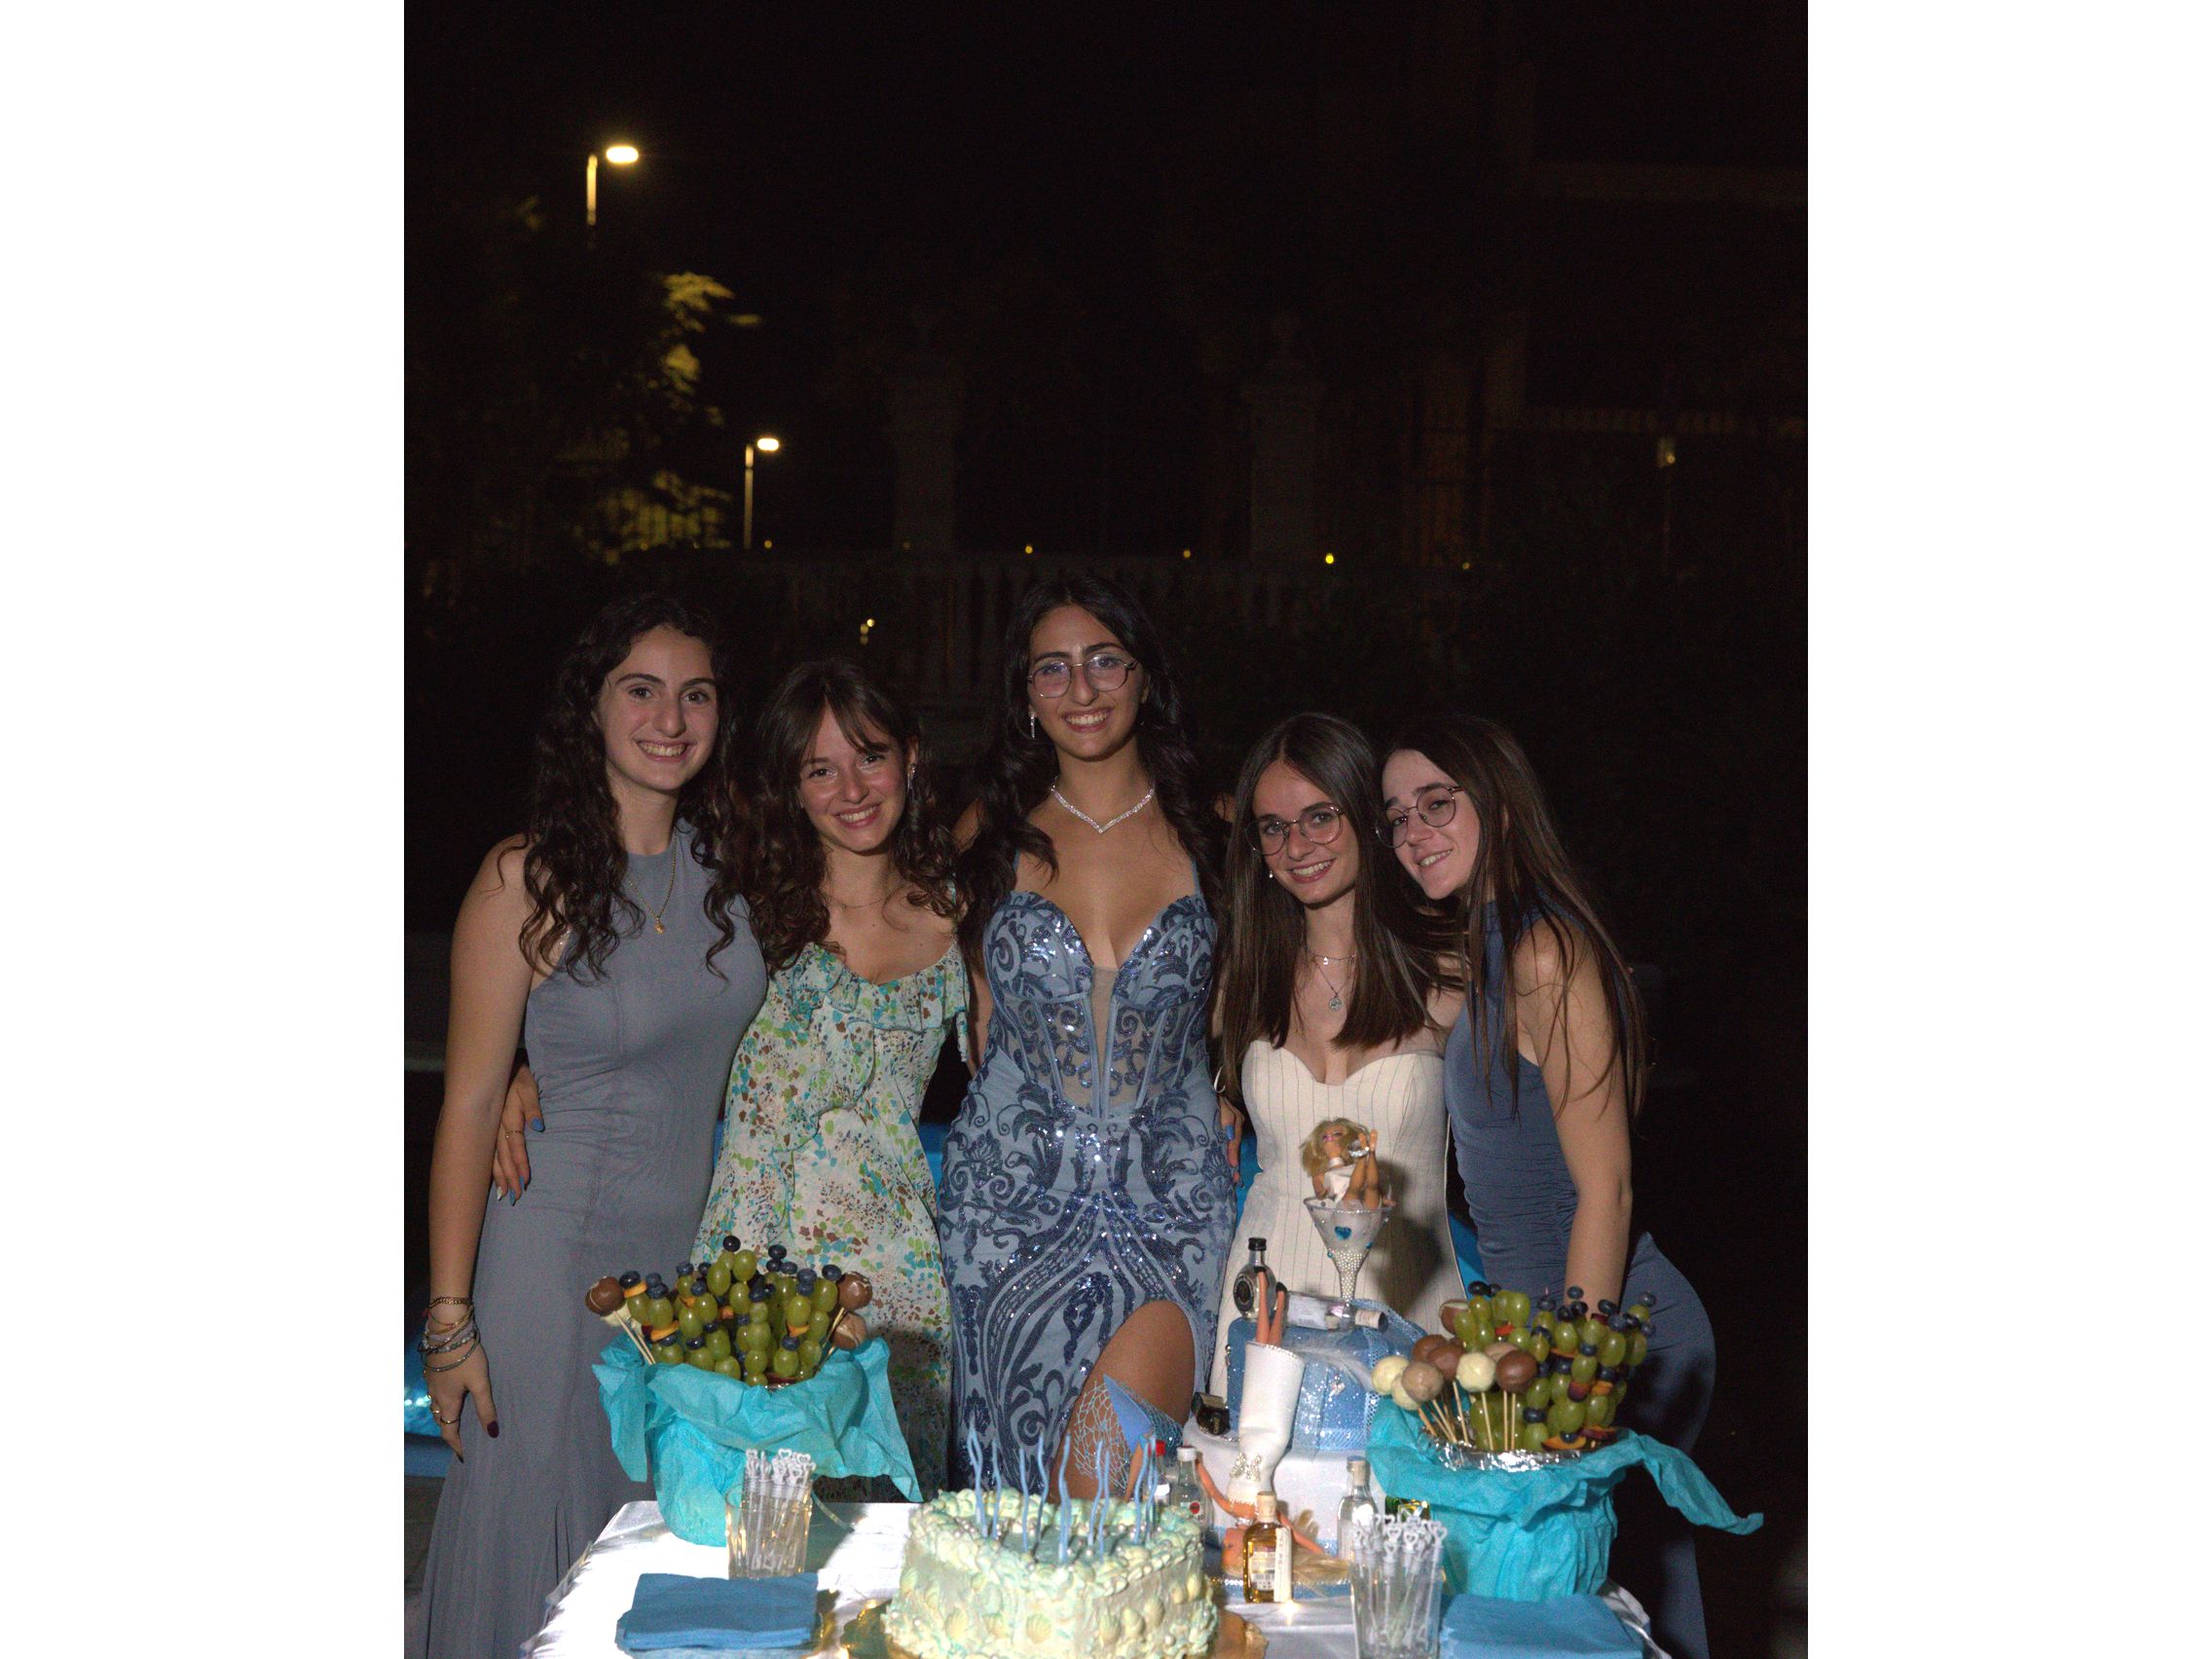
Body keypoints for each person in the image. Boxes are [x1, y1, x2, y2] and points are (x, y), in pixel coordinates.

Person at [497, 659, 966, 1494]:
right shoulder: (739, 907)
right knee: (737, 1531)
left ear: (912, 757)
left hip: (897, 1290)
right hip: (747, 1283)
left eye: (870, 757)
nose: (852, 789)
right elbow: (624, 1008)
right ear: (791, 785)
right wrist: (532, 1072)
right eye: (819, 769)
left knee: (883, 1539)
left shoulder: (964, 917)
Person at [408, 595, 767, 1659]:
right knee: (533, 1548)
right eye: (640, 690)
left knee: (640, 1557)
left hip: (677, 1291)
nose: (671, 718)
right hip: (548, 1267)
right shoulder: (526, 879)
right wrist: (449, 1323)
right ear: (593, 709)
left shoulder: (738, 874)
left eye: (696, 694)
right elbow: (469, 1108)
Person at [1382, 714, 1717, 1659]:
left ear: (1497, 805)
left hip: (1607, 1333)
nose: (1413, 833)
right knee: (1582, 1612)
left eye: (1437, 804)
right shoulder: (1487, 952)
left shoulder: (1543, 953)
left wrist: (1576, 1374)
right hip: (1538, 1336)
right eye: (1396, 816)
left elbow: (1607, 1192)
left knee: (1614, 1617)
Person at [938, 573, 1235, 1497]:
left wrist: (1235, 1086)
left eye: (1105, 660)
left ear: (1145, 677)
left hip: (1173, 1206)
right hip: (1006, 1213)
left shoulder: (1218, 833)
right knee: (1011, 1511)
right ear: (1026, 696)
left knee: (1108, 1484)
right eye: (1052, 669)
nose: (1082, 688)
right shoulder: (986, 837)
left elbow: (1273, 997)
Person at [1208, 714, 1462, 1392]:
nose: (1297, 846)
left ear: (1366, 818)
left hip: (1408, 1313)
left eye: (1320, 818)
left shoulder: (1447, 975)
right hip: (1266, 1313)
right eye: (1273, 827)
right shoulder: (1242, 977)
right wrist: (1218, 1098)